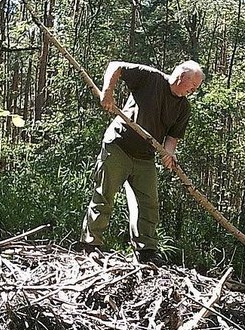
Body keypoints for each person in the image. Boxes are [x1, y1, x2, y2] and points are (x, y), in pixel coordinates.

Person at [79, 59, 205, 264]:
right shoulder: (151, 78)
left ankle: (146, 251)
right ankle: (91, 244)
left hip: (145, 156)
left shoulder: (184, 108)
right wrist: (107, 92)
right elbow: (115, 66)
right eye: (192, 86)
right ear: (182, 76)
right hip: (119, 145)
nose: (193, 91)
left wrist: (168, 153)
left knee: (148, 203)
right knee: (105, 194)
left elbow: (172, 137)